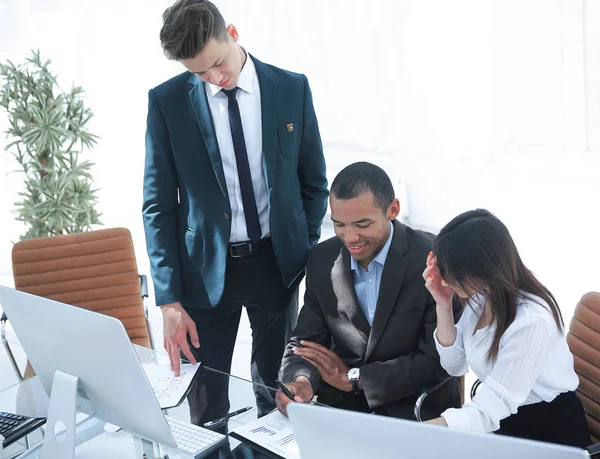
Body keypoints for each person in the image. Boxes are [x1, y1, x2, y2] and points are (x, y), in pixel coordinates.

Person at [142, 0, 328, 426]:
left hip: (276, 267)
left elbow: (313, 181)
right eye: (199, 73)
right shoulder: (167, 102)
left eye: (217, 63)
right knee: (207, 407)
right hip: (202, 275)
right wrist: (168, 298)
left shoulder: (291, 88)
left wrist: (303, 247)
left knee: (276, 395)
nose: (214, 78)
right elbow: (158, 205)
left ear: (233, 33)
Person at [276, 162, 461, 420]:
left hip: (417, 412)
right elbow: (305, 343)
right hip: (342, 410)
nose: (349, 237)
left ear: (393, 210)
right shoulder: (321, 259)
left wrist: (358, 379)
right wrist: (300, 381)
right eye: (339, 224)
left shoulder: (432, 258)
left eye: (362, 225)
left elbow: (441, 359)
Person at [422, 209, 590, 448]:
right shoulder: (482, 297)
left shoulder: (532, 320)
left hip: (546, 434)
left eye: (453, 273)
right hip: (504, 421)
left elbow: (489, 410)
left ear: (482, 268)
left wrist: (419, 431)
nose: (446, 281)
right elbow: (454, 365)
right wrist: (443, 304)